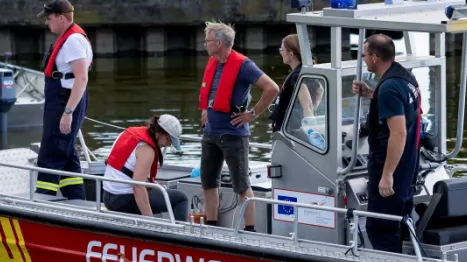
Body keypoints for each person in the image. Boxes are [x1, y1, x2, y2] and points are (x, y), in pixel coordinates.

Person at [198, 21, 279, 229]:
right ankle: (212, 225)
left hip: (233, 135)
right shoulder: (214, 62)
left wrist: (252, 114)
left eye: (207, 41)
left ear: (218, 43)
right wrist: (207, 110)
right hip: (210, 133)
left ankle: (250, 229)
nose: (204, 44)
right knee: (208, 182)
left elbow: (272, 88)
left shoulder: (244, 65)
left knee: (242, 185)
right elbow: (212, 92)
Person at [351, 34, 421, 253]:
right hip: (409, 162)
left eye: (363, 55)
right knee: (400, 222)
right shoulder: (405, 78)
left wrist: (387, 175)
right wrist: (371, 94)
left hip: (392, 167)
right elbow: (405, 111)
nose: (362, 59)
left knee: (380, 227)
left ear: (374, 57)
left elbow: (398, 133)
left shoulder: (389, 89)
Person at [35, 0, 92, 200]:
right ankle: (76, 199)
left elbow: (81, 77)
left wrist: (68, 112)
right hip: (62, 100)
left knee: (51, 152)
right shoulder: (69, 37)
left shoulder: (73, 41)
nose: (46, 22)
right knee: (66, 153)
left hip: (65, 101)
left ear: (61, 18)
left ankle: (42, 201)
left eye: (49, 18)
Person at [102, 114, 190, 221]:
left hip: (107, 195)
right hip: (122, 200)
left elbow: (127, 170)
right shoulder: (147, 150)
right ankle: (178, 235)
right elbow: (138, 186)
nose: (168, 145)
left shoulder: (130, 133)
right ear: (162, 134)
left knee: (162, 191)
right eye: (169, 140)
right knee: (181, 199)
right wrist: (150, 220)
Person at [270, 33, 317, 132]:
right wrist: (315, 106)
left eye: (282, 50)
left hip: (289, 134)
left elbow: (307, 105)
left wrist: (311, 132)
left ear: (291, 54)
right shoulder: (306, 72)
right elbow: (320, 89)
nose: (280, 53)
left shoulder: (297, 76)